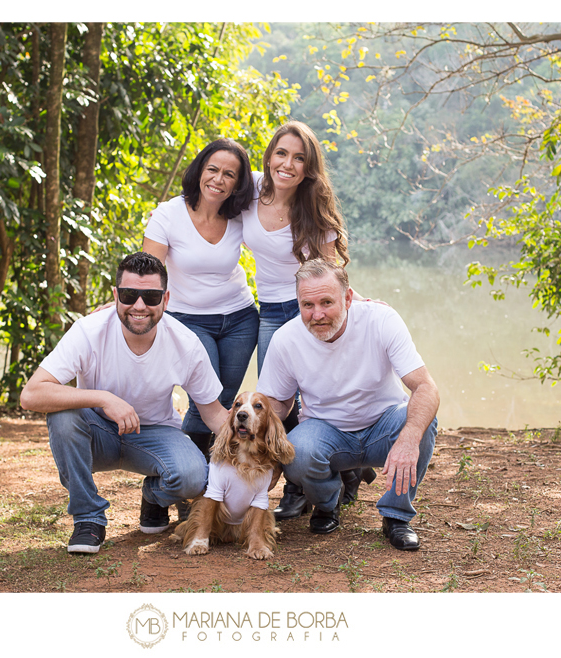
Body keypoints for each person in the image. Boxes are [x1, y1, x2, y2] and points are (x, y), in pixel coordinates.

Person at [20, 252, 229, 553]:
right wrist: (104, 399)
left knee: (194, 476)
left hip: (154, 434)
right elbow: (31, 394)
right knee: (63, 417)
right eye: (130, 295)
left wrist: (260, 446)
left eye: (151, 296)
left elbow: (214, 415)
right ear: (116, 295)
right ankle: (88, 518)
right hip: (97, 432)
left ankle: (154, 495)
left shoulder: (186, 343)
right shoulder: (88, 331)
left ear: (166, 299)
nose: (140, 306)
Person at [240, 121, 374, 520]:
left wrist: (361, 303)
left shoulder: (313, 209)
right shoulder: (249, 189)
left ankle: (304, 486)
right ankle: (340, 473)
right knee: (277, 403)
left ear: (308, 168)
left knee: (314, 395)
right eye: (281, 153)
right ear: (269, 155)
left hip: (306, 312)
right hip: (270, 311)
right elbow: (204, 202)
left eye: (299, 158)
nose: (288, 164)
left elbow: (332, 273)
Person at [256, 258, 439, 550]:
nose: (317, 315)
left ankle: (396, 516)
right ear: (298, 303)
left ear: (348, 297)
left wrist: (408, 438)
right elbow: (276, 405)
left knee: (421, 422)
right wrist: (264, 449)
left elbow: (426, 387)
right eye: (307, 305)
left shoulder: (381, 320)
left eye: (327, 302)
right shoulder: (285, 339)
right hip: (326, 431)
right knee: (297, 452)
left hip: (383, 424)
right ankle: (328, 504)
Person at [141, 138, 259, 463]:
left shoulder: (240, 216)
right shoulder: (168, 214)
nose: (218, 180)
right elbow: (149, 271)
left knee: (226, 401)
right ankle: (185, 476)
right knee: (206, 402)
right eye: (213, 170)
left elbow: (279, 203)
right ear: (200, 170)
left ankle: (205, 479)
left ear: (238, 183)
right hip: (188, 320)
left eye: (229, 174)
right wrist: (123, 306)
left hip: (240, 318)